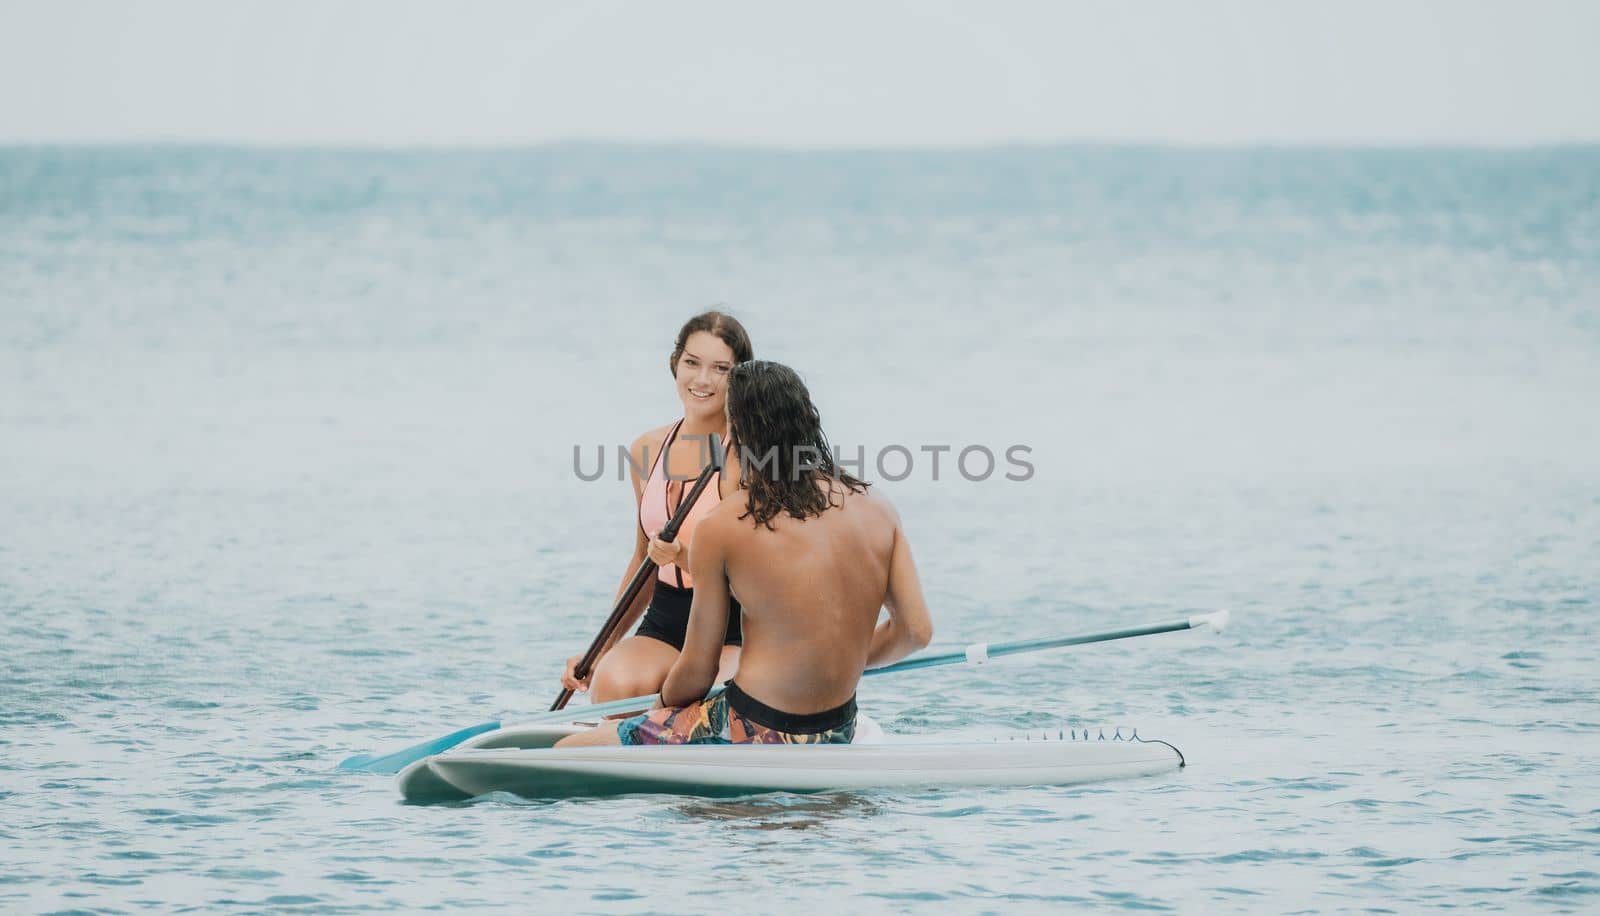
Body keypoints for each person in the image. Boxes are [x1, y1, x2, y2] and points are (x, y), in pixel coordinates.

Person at [558, 360, 934, 747]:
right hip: (837, 729)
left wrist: (661, 711)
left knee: (567, 750)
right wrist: (841, 662)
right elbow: (916, 632)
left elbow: (698, 672)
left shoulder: (725, 523)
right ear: (808, 421)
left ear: (737, 431)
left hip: (750, 725)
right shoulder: (878, 508)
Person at [561, 311, 752, 703]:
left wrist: (684, 557)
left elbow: (758, 568)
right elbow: (642, 561)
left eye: (720, 369)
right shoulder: (646, 450)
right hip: (667, 618)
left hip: (734, 624)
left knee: (713, 699)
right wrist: (601, 647)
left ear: (740, 377)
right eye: (692, 363)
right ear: (674, 364)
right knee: (612, 687)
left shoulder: (747, 459)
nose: (702, 380)